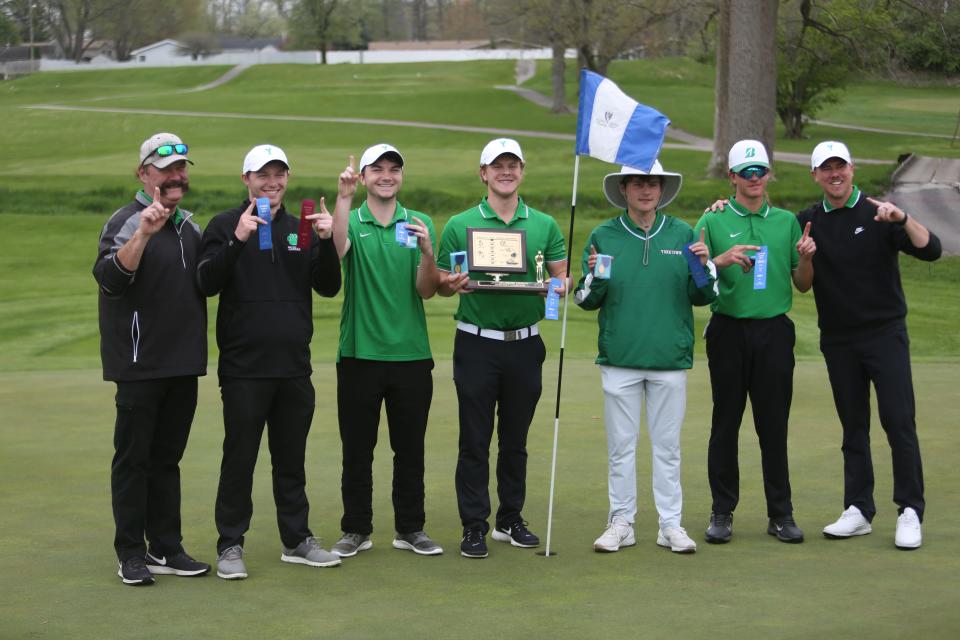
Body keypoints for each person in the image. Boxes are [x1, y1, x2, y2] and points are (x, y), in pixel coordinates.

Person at [197, 144, 342, 579]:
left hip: (294, 366)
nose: (271, 182)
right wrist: (238, 239)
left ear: (287, 178)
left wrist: (326, 242)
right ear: (246, 179)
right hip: (244, 368)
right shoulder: (225, 224)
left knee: (290, 460)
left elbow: (329, 287)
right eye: (262, 175)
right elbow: (206, 281)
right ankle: (230, 545)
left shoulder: (301, 226)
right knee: (239, 458)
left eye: (279, 175)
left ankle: (296, 540)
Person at [798, 141, 941, 550]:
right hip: (839, 340)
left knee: (898, 422)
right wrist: (806, 258)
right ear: (816, 176)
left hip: (885, 334)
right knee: (853, 427)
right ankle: (859, 509)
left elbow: (929, 250)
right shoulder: (808, 222)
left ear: (852, 169)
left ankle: (910, 510)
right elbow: (803, 284)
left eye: (839, 166)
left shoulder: (880, 212)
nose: (834, 174)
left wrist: (904, 217)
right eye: (825, 169)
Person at [575, 161, 717, 554]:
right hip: (620, 357)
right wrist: (595, 278)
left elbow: (704, 295)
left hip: (669, 357)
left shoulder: (683, 234)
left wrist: (704, 267)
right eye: (637, 182)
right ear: (624, 189)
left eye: (652, 183)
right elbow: (586, 299)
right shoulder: (603, 236)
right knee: (622, 447)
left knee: (667, 447)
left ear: (661, 189)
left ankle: (670, 524)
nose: (645, 189)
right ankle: (622, 521)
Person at [436, 138, 568, 558]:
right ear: (483, 173)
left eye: (513, 165)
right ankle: (474, 525)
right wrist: (450, 284)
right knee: (474, 439)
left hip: (525, 345)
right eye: (498, 166)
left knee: (515, 440)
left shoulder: (544, 224)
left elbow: (561, 278)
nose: (505, 172)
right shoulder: (461, 223)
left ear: (522, 170)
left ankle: (509, 519)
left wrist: (559, 285)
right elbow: (441, 279)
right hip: (476, 343)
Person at [93, 132, 210, 585]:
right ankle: (130, 552)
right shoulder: (125, 221)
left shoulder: (190, 227)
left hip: (184, 363)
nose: (177, 175)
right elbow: (109, 278)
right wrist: (143, 231)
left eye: (182, 168)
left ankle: (165, 546)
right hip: (139, 365)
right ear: (144, 174)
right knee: (133, 459)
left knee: (167, 460)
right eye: (166, 169)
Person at [694, 139, 816, 545]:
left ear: (769, 175)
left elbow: (802, 284)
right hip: (728, 329)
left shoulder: (786, 222)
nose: (754, 179)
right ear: (731, 177)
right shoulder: (711, 221)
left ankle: (780, 514)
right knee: (725, 423)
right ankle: (722, 511)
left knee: (773, 425)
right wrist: (717, 260)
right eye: (745, 172)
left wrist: (809, 258)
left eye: (760, 171)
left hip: (774, 332)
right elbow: (694, 279)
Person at [326, 144, 443, 558]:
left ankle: (411, 528)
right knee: (357, 449)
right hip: (360, 354)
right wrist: (343, 197)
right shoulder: (353, 221)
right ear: (364, 177)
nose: (387, 176)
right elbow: (335, 251)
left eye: (394, 169)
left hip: (411, 355)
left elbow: (427, 290)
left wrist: (429, 253)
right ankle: (356, 528)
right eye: (377, 170)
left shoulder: (420, 223)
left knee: (410, 449)